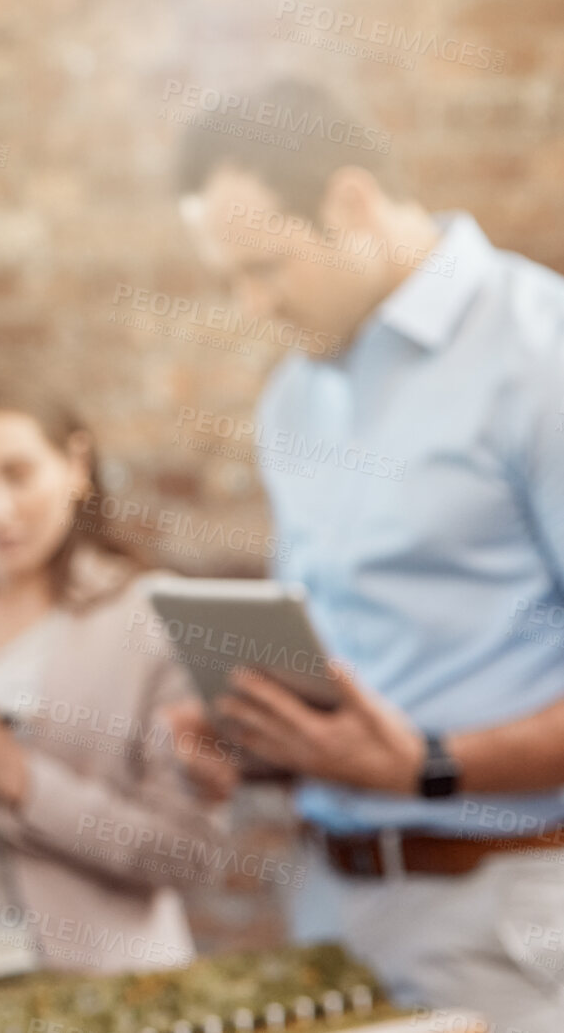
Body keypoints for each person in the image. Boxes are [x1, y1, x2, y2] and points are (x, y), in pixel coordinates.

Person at [170, 77, 564, 1030]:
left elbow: (409, 747)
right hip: (325, 909)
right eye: (228, 277)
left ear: (349, 201)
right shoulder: (293, 399)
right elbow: (348, 673)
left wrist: (431, 764)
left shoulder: (539, 354)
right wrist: (259, 734)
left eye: (264, 267)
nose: (251, 303)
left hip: (502, 919)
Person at [0, 359, 235, 973]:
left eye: (17, 473)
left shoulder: (152, 618)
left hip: (89, 984)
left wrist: (21, 781)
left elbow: (185, 853)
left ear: (77, 466)